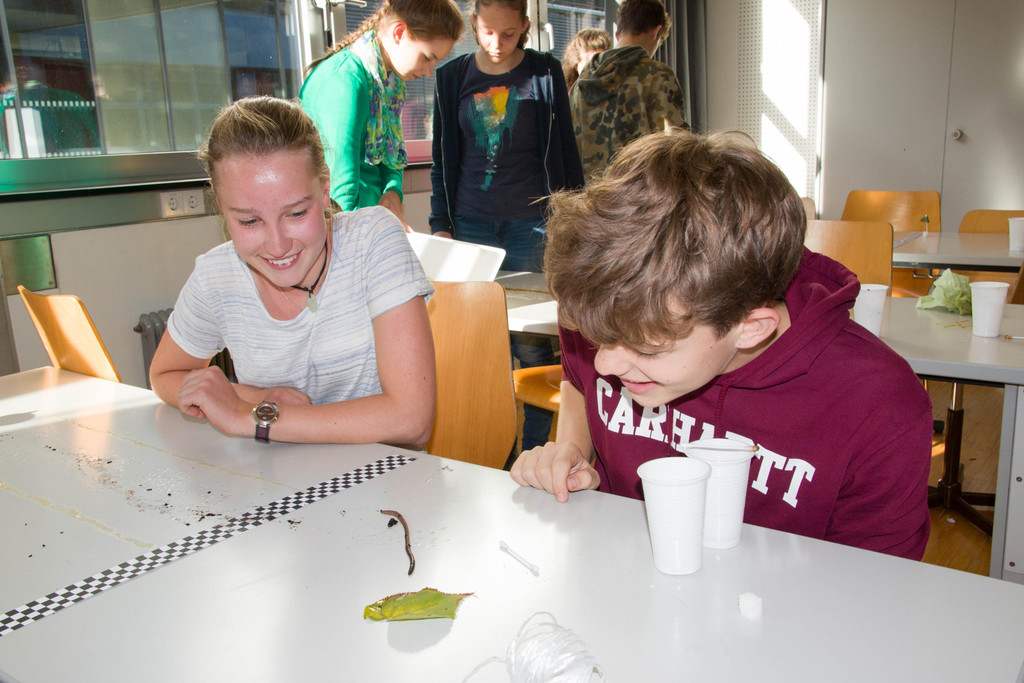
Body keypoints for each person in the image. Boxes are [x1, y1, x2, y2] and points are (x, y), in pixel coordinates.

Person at [510, 129, 932, 560]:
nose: (605, 364)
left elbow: (878, 583)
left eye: (648, 350)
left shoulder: (879, 406)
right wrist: (573, 448)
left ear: (751, 329)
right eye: (597, 337)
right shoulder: (610, 304)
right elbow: (581, 379)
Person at [150, 97, 436, 446]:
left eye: (297, 214)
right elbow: (165, 374)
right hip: (277, 472)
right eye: (249, 221)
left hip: (386, 474)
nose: (277, 245)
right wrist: (258, 397)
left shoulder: (373, 238)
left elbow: (411, 420)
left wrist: (251, 416)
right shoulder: (216, 275)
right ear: (222, 209)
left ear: (325, 189)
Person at [429, 0, 585, 453]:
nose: (497, 44)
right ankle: (491, 447)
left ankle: (532, 450)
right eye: (487, 32)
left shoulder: (545, 72)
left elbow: (566, 151)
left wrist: (577, 221)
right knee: (477, 342)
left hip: (531, 226)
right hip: (469, 227)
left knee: (532, 346)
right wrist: (440, 224)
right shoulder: (451, 77)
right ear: (474, 26)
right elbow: (441, 159)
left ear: (526, 27)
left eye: (509, 34)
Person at [300, 0, 463, 228]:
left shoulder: (390, 83)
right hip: (345, 226)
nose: (429, 72)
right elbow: (339, 188)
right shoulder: (345, 81)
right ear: (399, 33)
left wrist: (392, 192)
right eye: (427, 57)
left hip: (369, 221)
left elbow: (391, 157)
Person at [570, 0, 686, 180]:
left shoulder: (580, 84)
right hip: (641, 194)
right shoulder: (657, 76)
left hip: (593, 194)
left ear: (618, 33)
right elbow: (678, 148)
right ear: (656, 32)